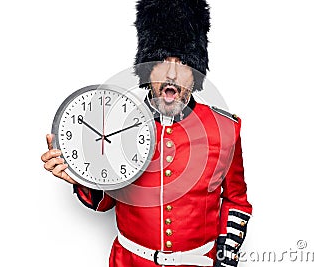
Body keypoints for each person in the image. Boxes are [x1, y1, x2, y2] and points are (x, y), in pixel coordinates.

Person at [41, 1, 252, 266]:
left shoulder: (226, 128)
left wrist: (225, 256)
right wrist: (79, 176)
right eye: (162, 61)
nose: (172, 74)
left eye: (184, 63)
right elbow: (106, 201)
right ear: (147, 67)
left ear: (196, 72)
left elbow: (236, 201)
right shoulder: (117, 123)